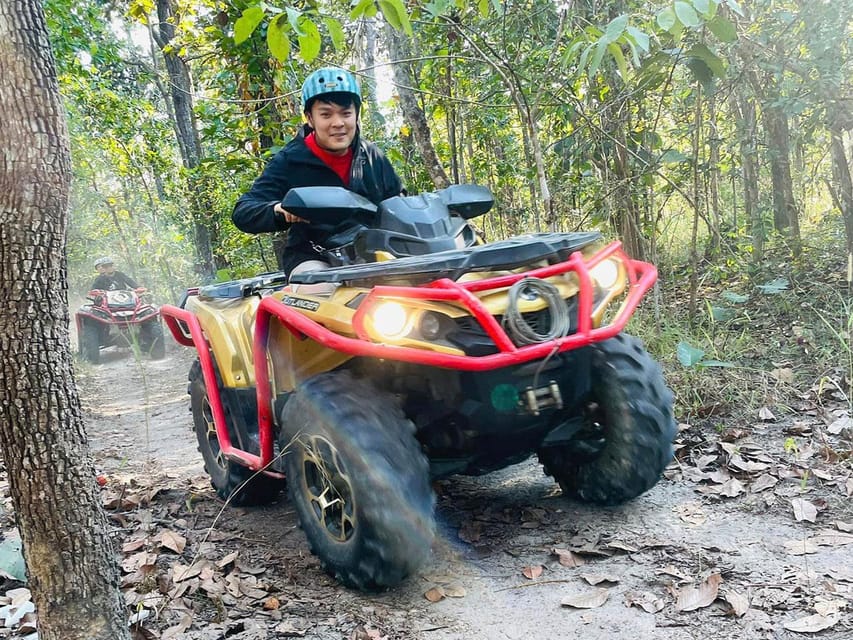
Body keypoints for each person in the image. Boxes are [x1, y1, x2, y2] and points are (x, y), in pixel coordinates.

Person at [232, 66, 403, 288]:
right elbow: (243, 212)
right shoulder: (290, 160)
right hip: (315, 258)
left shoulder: (372, 157)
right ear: (310, 118)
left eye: (346, 113)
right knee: (321, 293)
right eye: (326, 114)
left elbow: (399, 203)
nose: (338, 123)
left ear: (357, 115)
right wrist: (279, 211)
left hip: (372, 256)